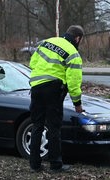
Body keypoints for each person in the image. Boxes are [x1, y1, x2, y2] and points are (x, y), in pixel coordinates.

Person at [29, 25, 84, 172]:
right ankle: (55, 165)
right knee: (54, 127)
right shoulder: (73, 53)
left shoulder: (47, 42)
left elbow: (32, 63)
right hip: (53, 89)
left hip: (36, 86)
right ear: (77, 38)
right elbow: (73, 82)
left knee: (37, 125)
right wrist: (77, 104)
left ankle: (34, 164)